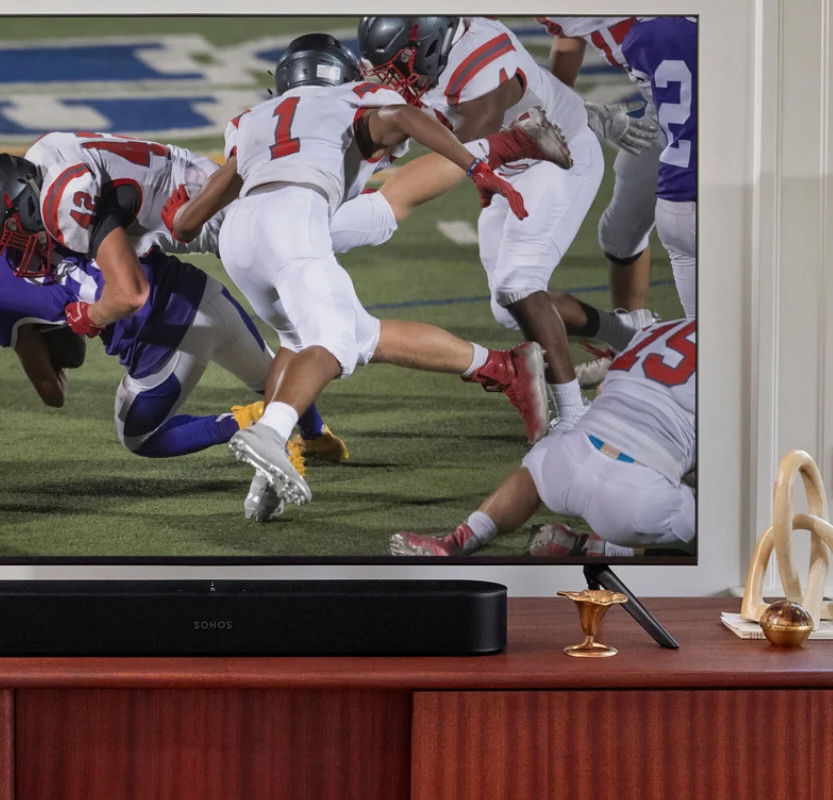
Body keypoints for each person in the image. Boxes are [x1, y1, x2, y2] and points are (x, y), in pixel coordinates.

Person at [168, 33, 550, 509]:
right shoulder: (356, 97)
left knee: (315, 338)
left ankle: (270, 469)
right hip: (298, 214)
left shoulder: (250, 120)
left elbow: (189, 221)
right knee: (333, 340)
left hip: (241, 233)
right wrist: (475, 166)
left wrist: (184, 221)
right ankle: (270, 434)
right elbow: (404, 117)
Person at [0, 182, 339, 522]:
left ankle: (248, 423)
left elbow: (53, 392)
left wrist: (42, 334)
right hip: (201, 289)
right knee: (276, 377)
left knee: (138, 436)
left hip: (165, 339)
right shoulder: (56, 200)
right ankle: (316, 435)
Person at [356, 17, 658, 432]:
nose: (390, 73)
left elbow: (457, 155)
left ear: (430, 45)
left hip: (556, 159)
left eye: (399, 62)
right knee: (506, 308)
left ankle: (573, 415)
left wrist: (379, 166)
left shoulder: (479, 62)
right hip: (515, 160)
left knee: (520, 284)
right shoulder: (447, 46)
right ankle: (628, 330)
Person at [390, 318, 697, 558]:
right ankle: (600, 550)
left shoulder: (659, 330)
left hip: (570, 457)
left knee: (536, 470)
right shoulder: (736, 352)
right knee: (728, 530)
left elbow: (605, 389)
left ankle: (457, 541)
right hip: (637, 501)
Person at [536, 16, 665, 314]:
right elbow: (561, 76)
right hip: (661, 110)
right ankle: (633, 343)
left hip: (716, 104)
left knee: (690, 232)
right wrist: (586, 113)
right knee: (620, 234)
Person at [622, 16, 699, 318]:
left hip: (672, 200)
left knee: (699, 337)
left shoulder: (639, 35)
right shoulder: (725, 28)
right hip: (719, 198)